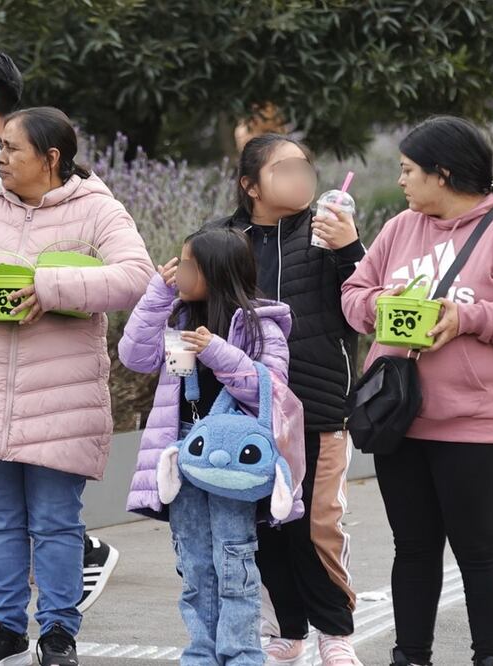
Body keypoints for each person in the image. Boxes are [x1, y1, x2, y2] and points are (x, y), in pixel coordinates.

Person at [0, 107, 153, 666]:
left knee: (54, 523)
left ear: (50, 159)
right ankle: (3, 629)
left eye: (11, 149)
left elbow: (136, 275)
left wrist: (46, 287)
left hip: (62, 398)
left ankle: (57, 635)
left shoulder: (98, 208)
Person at [340, 116, 493, 666]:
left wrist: (466, 318)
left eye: (408, 171)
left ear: (441, 174)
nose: (401, 182)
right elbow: (353, 294)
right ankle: (409, 656)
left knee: (476, 547)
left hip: (474, 421)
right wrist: (384, 308)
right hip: (397, 416)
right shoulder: (401, 228)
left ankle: (490, 657)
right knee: (414, 549)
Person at [206, 134, 366, 664]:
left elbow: (362, 302)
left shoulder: (327, 232)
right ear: (250, 185)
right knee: (269, 523)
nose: (300, 176)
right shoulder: (222, 239)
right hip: (246, 411)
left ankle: (336, 630)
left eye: (305, 166)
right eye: (285, 168)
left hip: (316, 406)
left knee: (318, 521)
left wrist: (349, 247)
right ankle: (289, 629)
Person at [121, 227, 292, 664]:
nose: (178, 271)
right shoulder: (176, 316)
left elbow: (267, 388)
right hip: (183, 455)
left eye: (188, 265)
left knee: (234, 562)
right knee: (194, 565)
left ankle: (240, 654)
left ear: (216, 272)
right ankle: (200, 653)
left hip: (233, 464)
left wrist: (216, 351)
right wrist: (158, 295)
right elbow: (134, 356)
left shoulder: (261, 325)